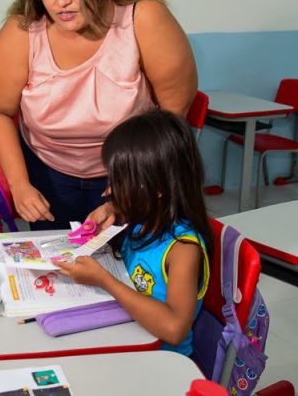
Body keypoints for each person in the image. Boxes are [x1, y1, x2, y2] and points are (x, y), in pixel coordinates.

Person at [0, 0, 198, 230]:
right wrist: (19, 184)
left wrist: (132, 189)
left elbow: (173, 116)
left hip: (133, 169)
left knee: (128, 268)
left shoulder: (144, 19)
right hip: (48, 175)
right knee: (58, 267)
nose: (61, 1)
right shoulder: (22, 31)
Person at [54, 110, 213, 356]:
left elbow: (175, 329)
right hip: (125, 339)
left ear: (156, 188)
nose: (108, 190)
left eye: (118, 182)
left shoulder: (183, 249)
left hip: (160, 359)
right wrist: (113, 207)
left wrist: (105, 281)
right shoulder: (143, 217)